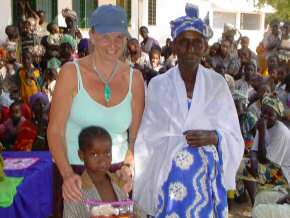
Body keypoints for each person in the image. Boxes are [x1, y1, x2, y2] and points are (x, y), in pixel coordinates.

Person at [134, 4, 244, 217]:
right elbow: (148, 136)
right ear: (174, 46)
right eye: (184, 42)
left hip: (205, 180)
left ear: (204, 47)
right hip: (168, 176)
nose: (190, 48)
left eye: (197, 42)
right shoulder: (159, 85)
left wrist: (214, 136)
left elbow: (233, 134)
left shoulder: (217, 84)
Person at [47, 4, 144, 216]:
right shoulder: (71, 73)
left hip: (117, 175)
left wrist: (129, 164)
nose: (113, 44)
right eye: (105, 36)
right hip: (75, 173)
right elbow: (55, 131)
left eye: (119, 37)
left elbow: (136, 134)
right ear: (92, 35)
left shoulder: (134, 79)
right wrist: (67, 174)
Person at [63, 126, 129, 218]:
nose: (102, 161)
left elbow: (130, 210)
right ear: (81, 155)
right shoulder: (75, 191)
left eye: (107, 153)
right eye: (94, 154)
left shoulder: (119, 182)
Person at [238, 95, 290, 205]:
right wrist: (252, 161)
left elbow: (267, 162)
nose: (266, 116)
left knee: (246, 167)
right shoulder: (263, 124)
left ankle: (257, 201)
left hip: (283, 177)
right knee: (241, 165)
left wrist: (262, 133)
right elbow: (254, 151)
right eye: (264, 112)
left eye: (271, 114)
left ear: (278, 117)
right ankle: (253, 201)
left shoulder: (281, 133)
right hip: (270, 166)